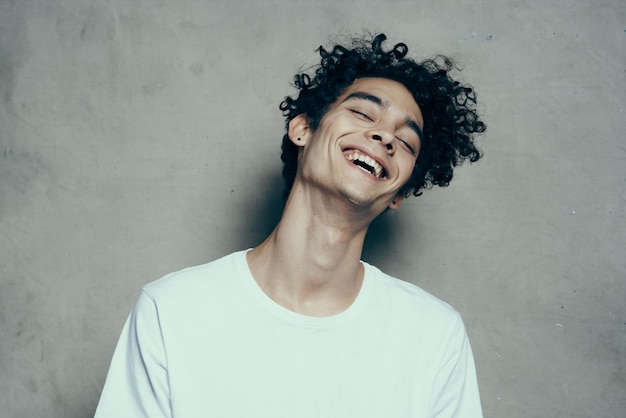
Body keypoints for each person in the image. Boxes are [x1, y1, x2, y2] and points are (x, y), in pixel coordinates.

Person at [95, 32, 486, 417]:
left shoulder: (434, 336)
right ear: (303, 129)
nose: (385, 135)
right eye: (363, 113)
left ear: (400, 192)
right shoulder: (171, 310)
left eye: (406, 143)